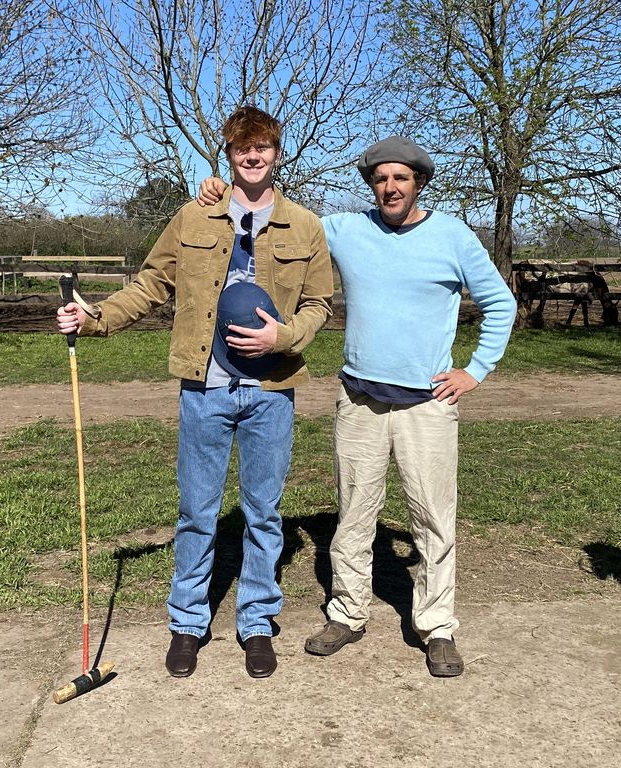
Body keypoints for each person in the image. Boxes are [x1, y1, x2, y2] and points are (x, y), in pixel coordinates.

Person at [197, 136, 516, 677]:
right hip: (359, 398)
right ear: (371, 184)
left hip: (427, 405)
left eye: (401, 178)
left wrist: (474, 371)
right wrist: (225, 188)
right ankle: (347, 613)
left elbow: (500, 302)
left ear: (419, 182)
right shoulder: (345, 229)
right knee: (353, 515)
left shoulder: (452, 235)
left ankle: (436, 627)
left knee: (434, 519)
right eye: (380, 179)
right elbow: (281, 216)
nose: (389, 187)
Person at [58, 105, 333, 679]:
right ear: (229, 155)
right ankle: (187, 623)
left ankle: (257, 623)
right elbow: (152, 284)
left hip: (271, 389)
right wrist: (96, 319)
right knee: (197, 511)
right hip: (204, 389)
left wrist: (285, 335)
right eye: (241, 149)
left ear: (277, 154)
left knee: (264, 513)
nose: (252, 157)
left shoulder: (305, 225)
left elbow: (318, 304)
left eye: (262, 148)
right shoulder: (194, 216)